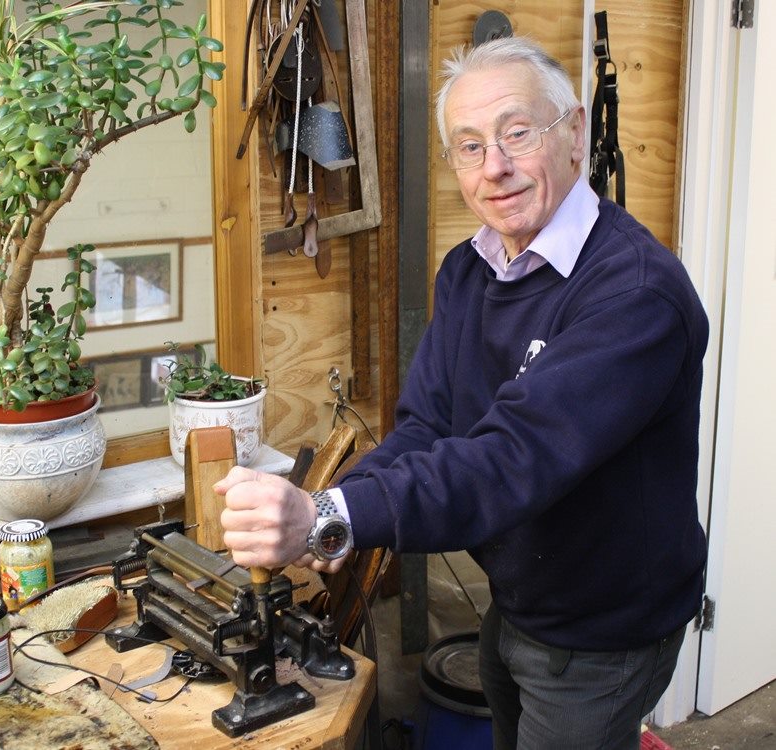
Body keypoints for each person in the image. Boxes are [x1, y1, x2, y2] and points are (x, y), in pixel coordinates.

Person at [215, 36, 708, 750]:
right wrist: (335, 514)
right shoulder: (470, 269)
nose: (494, 167)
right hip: (519, 595)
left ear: (574, 133)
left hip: (603, 626)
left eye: (517, 133)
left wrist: (330, 514)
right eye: (469, 146)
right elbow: (426, 428)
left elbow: (512, 458)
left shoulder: (634, 295)